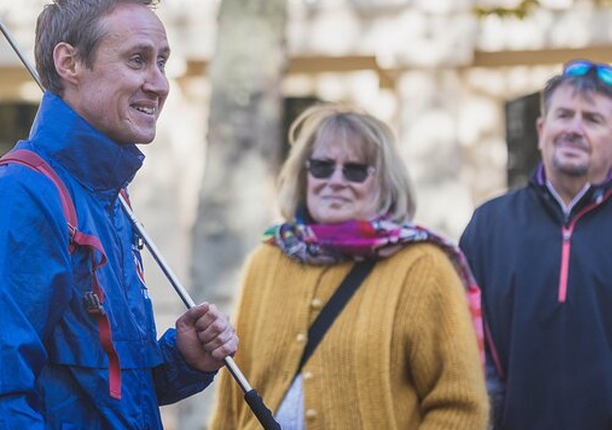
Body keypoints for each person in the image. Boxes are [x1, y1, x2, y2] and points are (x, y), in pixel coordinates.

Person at [0, 0, 238, 428]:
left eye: (162, 62)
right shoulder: (16, 203)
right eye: (137, 60)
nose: (158, 83)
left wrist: (181, 360)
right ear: (69, 63)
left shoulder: (107, 200)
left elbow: (101, 394)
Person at [208, 105, 489, 429]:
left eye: (355, 170)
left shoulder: (424, 267)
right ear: (304, 173)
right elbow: (231, 403)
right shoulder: (265, 262)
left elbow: (460, 407)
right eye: (323, 167)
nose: (337, 181)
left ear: (384, 183)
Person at [459, 59, 612, 430]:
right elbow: (460, 350)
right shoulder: (489, 225)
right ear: (542, 130)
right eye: (563, 115)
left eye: (592, 120)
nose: (574, 129)